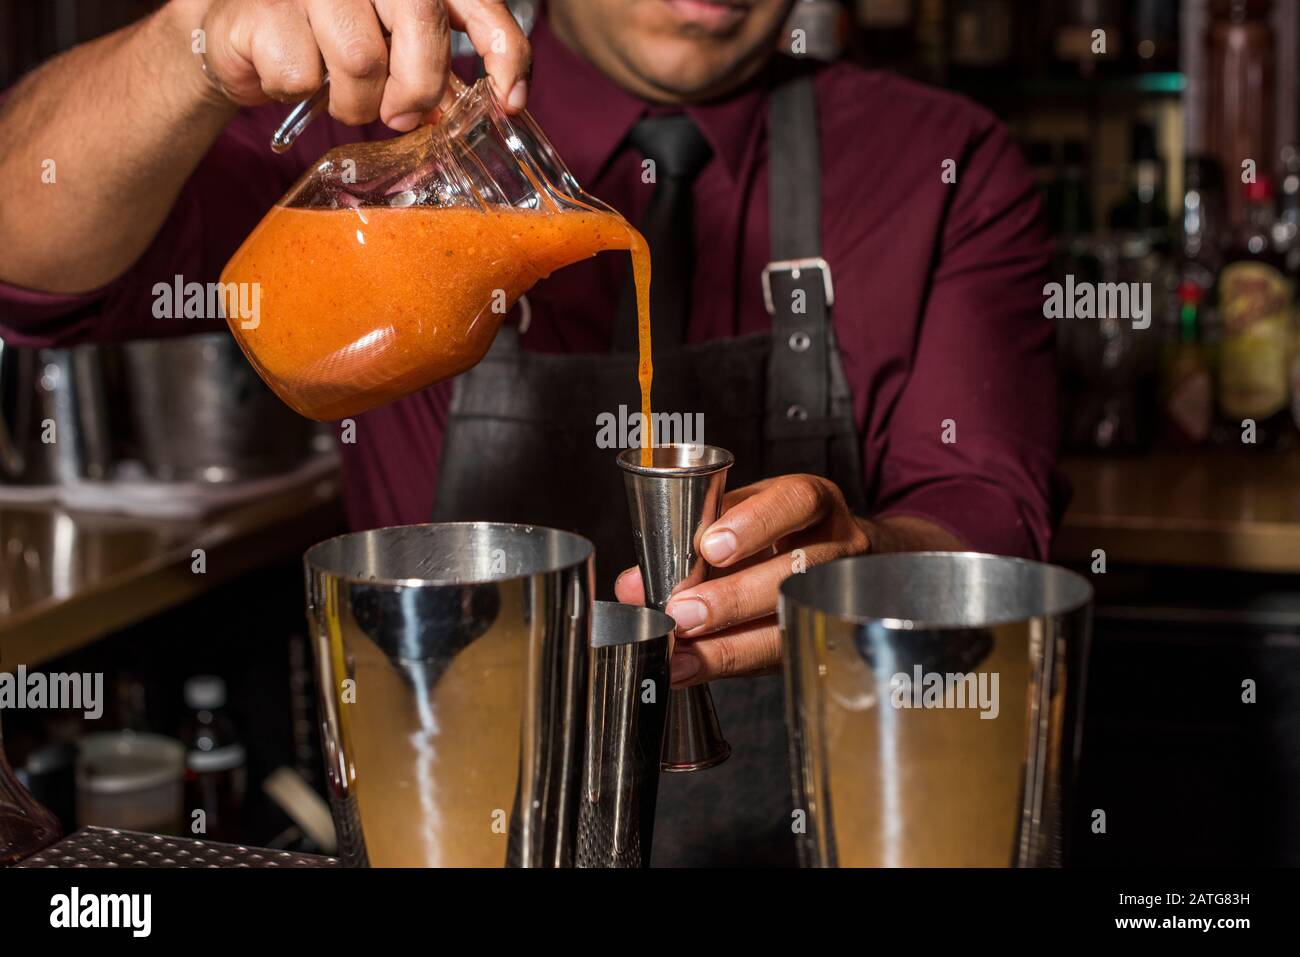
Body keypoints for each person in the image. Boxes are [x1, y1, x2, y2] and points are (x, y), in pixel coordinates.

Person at [0, 0, 1062, 865]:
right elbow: (22, 262)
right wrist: (191, 44)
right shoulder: (378, 105)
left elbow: (991, 521)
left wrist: (870, 560)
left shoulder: (943, 161)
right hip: (445, 826)